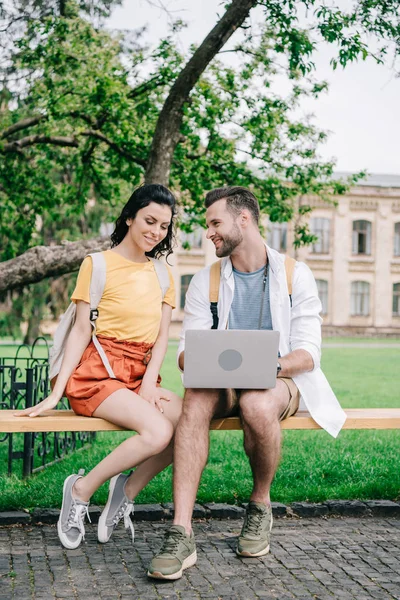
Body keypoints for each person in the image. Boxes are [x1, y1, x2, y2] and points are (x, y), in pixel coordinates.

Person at [148, 186, 346, 580]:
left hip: (278, 381)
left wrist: (266, 365)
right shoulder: (206, 280)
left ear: (244, 220)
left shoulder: (295, 274)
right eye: (208, 225)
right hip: (221, 383)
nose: (209, 233)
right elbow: (186, 353)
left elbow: (308, 353)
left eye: (215, 223)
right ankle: (181, 531)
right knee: (195, 398)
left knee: (257, 401)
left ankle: (259, 506)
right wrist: (202, 359)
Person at [17, 184, 182, 550]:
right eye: (149, 221)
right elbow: (80, 330)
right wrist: (55, 392)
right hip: (98, 374)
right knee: (157, 433)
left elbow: (161, 337)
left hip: (140, 374)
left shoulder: (165, 275)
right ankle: (80, 489)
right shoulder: (98, 264)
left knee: (189, 427)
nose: (156, 232)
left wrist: (150, 384)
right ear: (129, 217)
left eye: (164, 226)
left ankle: (126, 489)